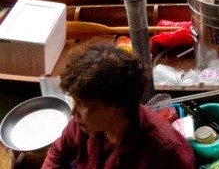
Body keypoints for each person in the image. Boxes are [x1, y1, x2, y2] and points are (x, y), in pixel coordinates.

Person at [42, 45, 195, 168]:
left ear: (118, 105)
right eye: (76, 101)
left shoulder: (163, 153)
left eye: (83, 105)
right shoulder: (84, 124)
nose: (74, 112)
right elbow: (57, 152)